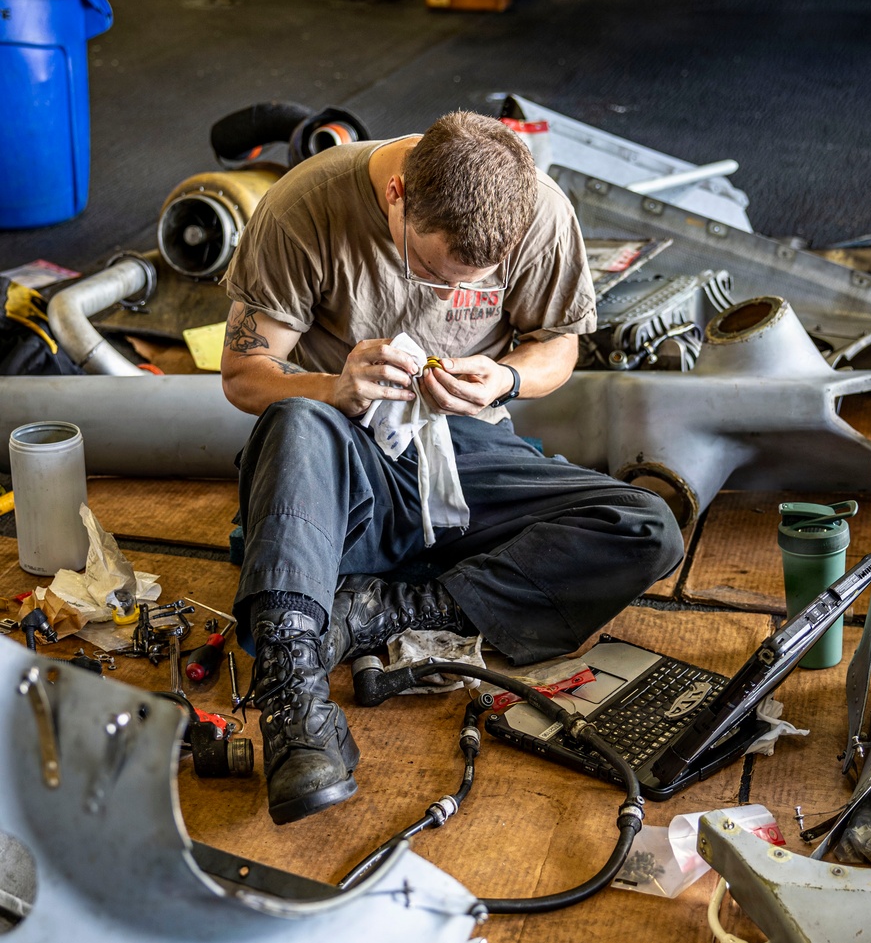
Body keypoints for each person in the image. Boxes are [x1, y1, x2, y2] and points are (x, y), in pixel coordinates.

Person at [221, 112, 683, 826]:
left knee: (644, 526)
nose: (446, 291)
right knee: (294, 419)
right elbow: (243, 377)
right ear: (399, 193)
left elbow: (556, 347)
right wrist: (331, 387)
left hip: (467, 447)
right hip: (338, 458)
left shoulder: (543, 214)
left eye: (472, 280)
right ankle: (294, 695)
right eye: (433, 270)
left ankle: (378, 611)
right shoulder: (304, 207)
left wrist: (503, 378)